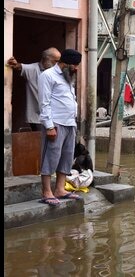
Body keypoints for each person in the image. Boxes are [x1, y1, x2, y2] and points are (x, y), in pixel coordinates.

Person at [37, 49, 83, 206]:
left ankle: (60, 189)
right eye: (74, 65)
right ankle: (46, 192)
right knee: (51, 157)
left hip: (70, 123)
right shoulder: (47, 76)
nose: (76, 68)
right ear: (64, 64)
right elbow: (44, 103)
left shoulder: (68, 77)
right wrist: (49, 126)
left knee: (67, 157)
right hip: (55, 123)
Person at [6, 47, 61, 131]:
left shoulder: (55, 72)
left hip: (54, 116)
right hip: (37, 118)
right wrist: (14, 63)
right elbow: (18, 66)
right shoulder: (33, 69)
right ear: (46, 59)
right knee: (41, 141)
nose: (57, 64)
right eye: (55, 61)